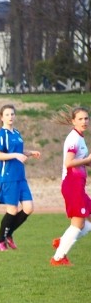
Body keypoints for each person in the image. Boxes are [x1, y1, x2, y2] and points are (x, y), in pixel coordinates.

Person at [0, 104, 41, 251]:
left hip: (20, 177)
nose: (10, 117)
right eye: (7, 115)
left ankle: (8, 234)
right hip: (8, 177)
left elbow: (18, 152)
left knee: (28, 208)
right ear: (1, 117)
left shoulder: (17, 133)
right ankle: (0, 241)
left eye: (12, 114)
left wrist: (30, 153)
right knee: (12, 210)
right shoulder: (2, 134)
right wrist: (15, 155)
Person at [51, 106, 91, 266]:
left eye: (86, 118)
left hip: (78, 185)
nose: (84, 121)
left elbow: (80, 161)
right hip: (72, 184)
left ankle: (63, 241)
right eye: (80, 119)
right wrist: (87, 160)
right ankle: (58, 258)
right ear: (73, 121)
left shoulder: (80, 137)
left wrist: (87, 162)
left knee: (87, 223)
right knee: (78, 223)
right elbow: (68, 163)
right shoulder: (74, 138)